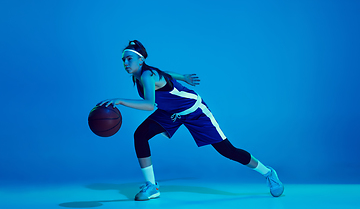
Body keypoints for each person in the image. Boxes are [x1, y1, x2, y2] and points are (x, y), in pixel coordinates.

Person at [99, 40, 284, 201]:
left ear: (141, 59)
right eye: (123, 59)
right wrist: (182, 77)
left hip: (195, 112)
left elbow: (149, 105)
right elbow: (164, 73)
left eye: (129, 58)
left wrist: (120, 101)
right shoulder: (141, 74)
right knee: (140, 135)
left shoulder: (147, 74)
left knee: (228, 151)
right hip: (171, 112)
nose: (125, 62)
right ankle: (152, 186)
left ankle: (268, 173)